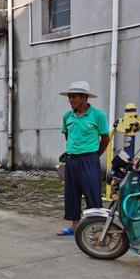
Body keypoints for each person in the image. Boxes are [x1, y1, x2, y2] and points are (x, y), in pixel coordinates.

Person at [58, 81, 110, 236]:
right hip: (72, 160)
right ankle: (74, 227)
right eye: (70, 97)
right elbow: (68, 136)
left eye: (74, 97)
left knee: (92, 192)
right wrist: (73, 152)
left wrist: (95, 155)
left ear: (84, 98)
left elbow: (105, 138)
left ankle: (96, 228)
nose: (71, 100)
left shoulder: (97, 115)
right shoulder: (67, 116)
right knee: (72, 194)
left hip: (89, 159)